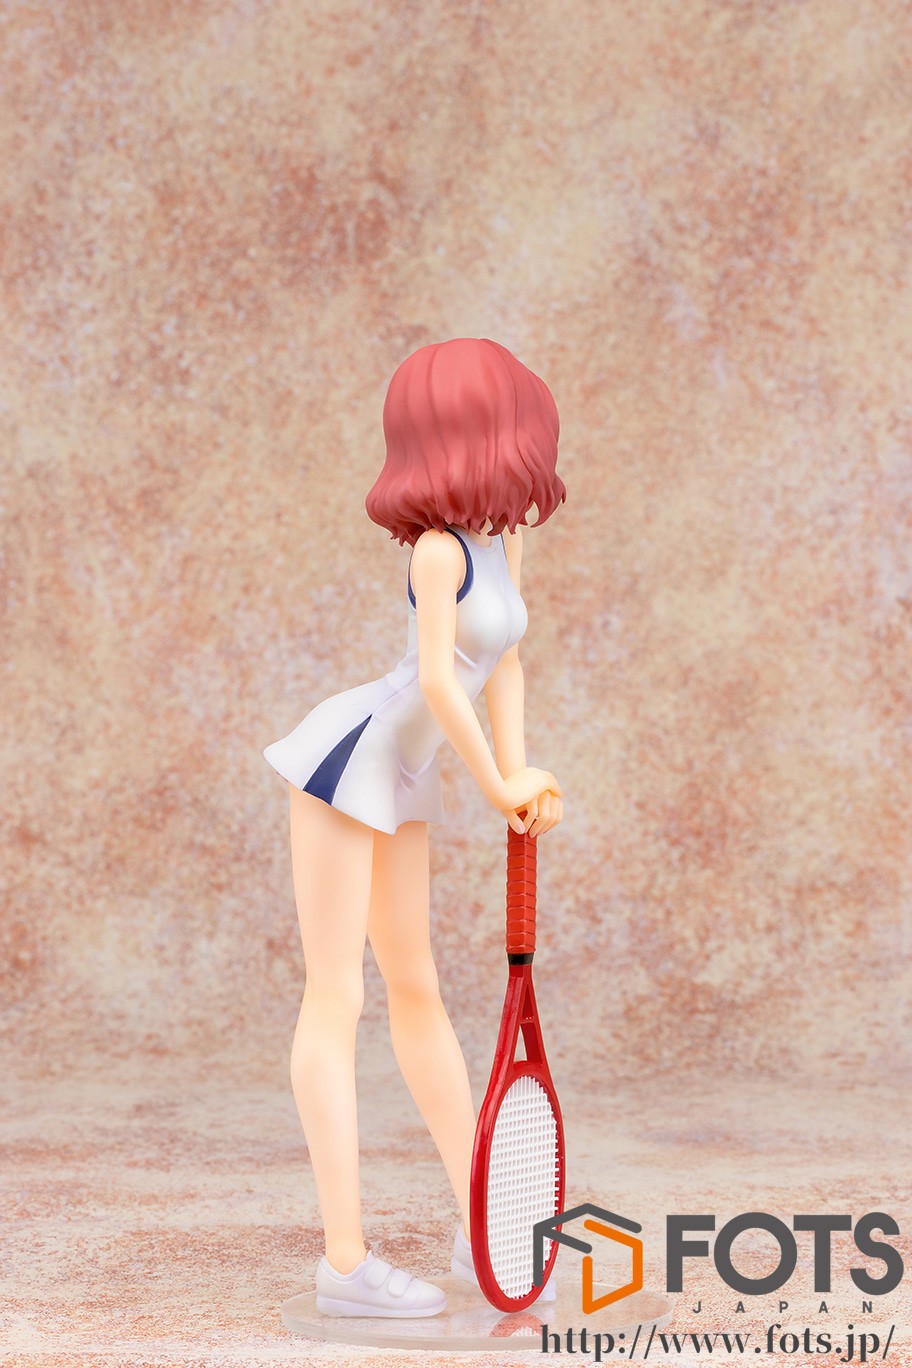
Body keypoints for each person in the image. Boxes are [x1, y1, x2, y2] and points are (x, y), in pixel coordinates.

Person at [263, 337, 566, 1318]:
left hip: (407, 772)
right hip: (352, 761)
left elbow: (503, 664)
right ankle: (345, 1265)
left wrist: (517, 771)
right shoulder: (439, 554)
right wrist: (497, 784)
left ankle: (481, 1218)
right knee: (336, 995)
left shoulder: (500, 544)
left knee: (416, 985)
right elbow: (438, 681)